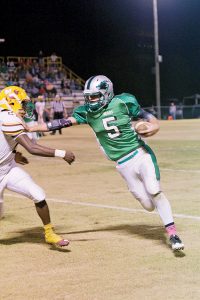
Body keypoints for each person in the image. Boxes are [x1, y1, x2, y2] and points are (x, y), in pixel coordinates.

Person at [28, 75, 184, 251]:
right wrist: (31, 128)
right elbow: (60, 123)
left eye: (94, 96)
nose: (90, 100)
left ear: (106, 93)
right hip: (122, 165)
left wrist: (154, 125)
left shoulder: (123, 102)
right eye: (88, 96)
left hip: (140, 154)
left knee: (154, 191)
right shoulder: (86, 112)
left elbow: (147, 116)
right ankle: (163, 215)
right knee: (148, 206)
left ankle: (172, 233)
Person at [0, 86, 75, 247]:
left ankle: (49, 233)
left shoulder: (8, 116)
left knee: (38, 194)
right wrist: (61, 153)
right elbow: (32, 148)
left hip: (8, 168)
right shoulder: (7, 117)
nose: (26, 107)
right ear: (11, 102)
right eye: (23, 103)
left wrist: (14, 155)